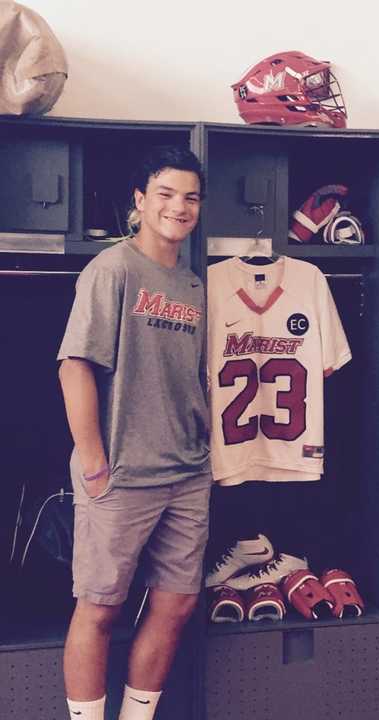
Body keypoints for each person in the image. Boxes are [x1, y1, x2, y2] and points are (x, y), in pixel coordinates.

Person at [57, 146, 210, 720]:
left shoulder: (192, 283)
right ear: (141, 202)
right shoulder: (113, 268)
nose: (180, 207)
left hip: (187, 473)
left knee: (176, 603)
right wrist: (96, 464)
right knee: (98, 607)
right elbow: (75, 366)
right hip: (122, 474)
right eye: (166, 194)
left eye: (190, 197)